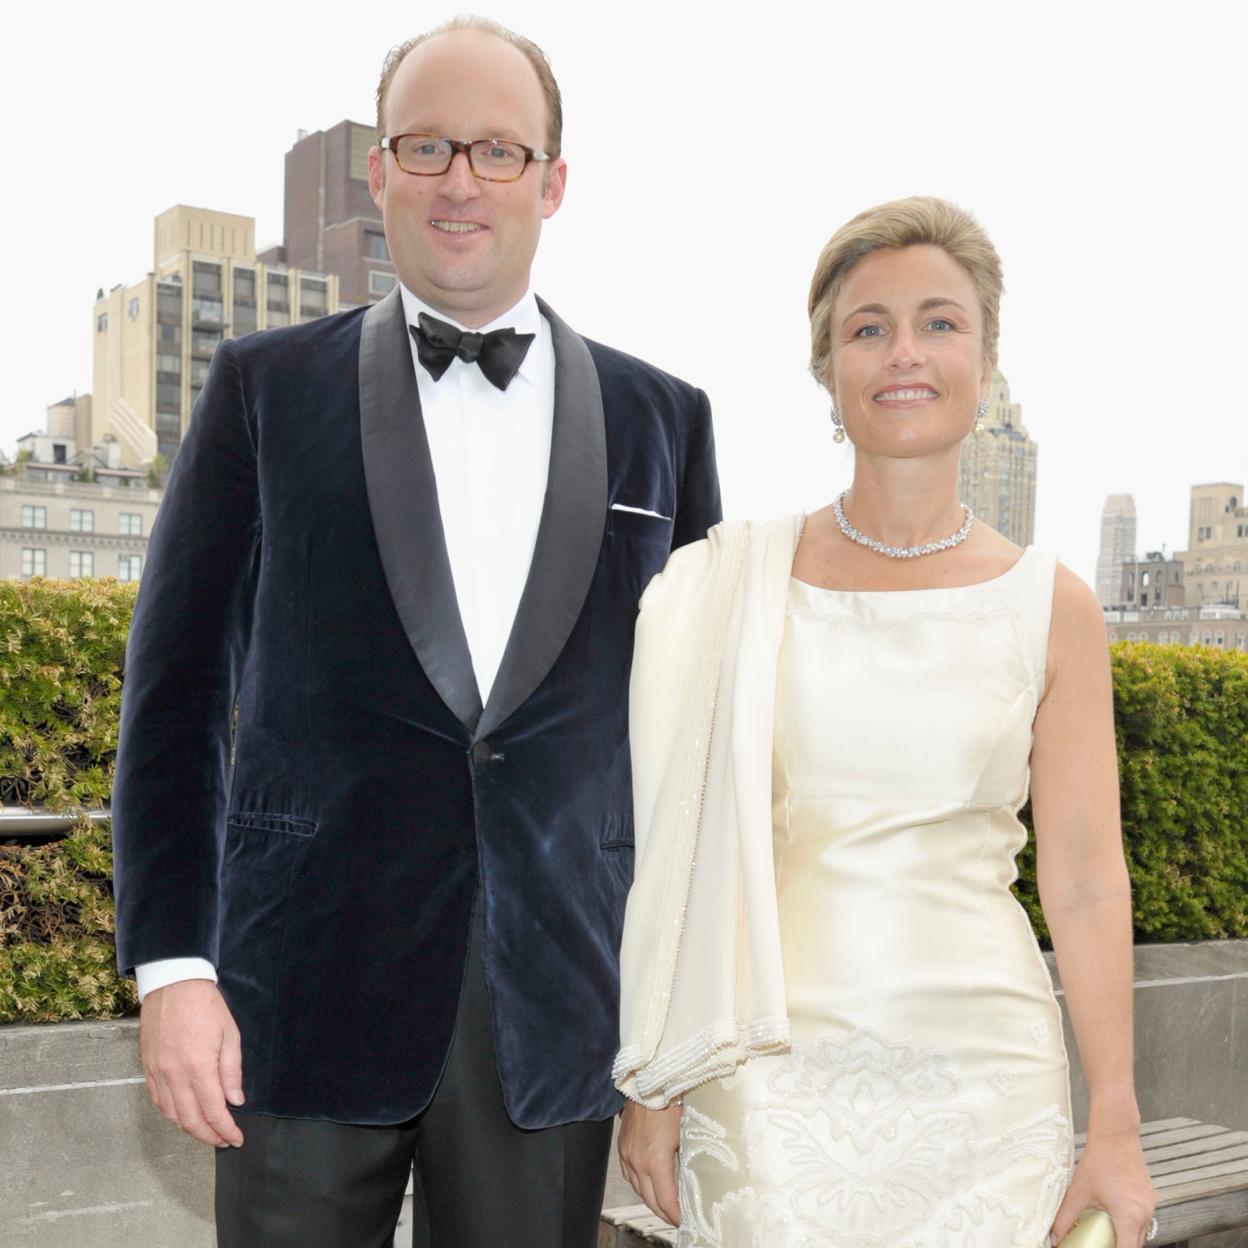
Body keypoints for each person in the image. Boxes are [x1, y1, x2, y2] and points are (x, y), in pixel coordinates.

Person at [111, 16, 720, 1248]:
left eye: (498, 151)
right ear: (378, 170)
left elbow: (694, 745)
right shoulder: (262, 390)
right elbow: (174, 694)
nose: (460, 181)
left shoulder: (669, 420)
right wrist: (174, 969)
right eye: (428, 145)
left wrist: (678, 1030)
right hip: (297, 994)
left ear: (553, 181)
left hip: (558, 1007)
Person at [614, 197, 1157, 1247]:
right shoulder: (731, 581)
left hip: (992, 1089)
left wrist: (1118, 1123)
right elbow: (677, 848)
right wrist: (656, 1074)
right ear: (828, 371)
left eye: (940, 322)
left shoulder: (1057, 605)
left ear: (987, 362)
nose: (904, 352)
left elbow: (1086, 878)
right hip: (765, 1079)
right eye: (869, 327)